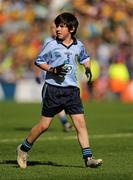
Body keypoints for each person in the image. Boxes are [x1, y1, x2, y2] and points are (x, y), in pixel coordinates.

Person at [17, 12, 103, 169]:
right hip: (53, 89)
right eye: (57, 26)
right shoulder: (51, 45)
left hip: (72, 90)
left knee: (80, 124)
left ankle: (88, 158)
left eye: (61, 26)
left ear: (71, 28)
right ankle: (23, 148)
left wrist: (88, 68)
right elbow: (39, 61)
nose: (57, 29)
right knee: (44, 126)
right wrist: (53, 69)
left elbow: (85, 57)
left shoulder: (79, 45)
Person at [34, 22, 73, 132]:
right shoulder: (47, 41)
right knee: (55, 101)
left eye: (56, 27)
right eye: (52, 28)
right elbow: (40, 58)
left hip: (63, 76)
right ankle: (64, 122)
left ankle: (65, 121)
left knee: (59, 101)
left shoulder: (66, 40)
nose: (54, 29)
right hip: (50, 76)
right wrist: (37, 73)